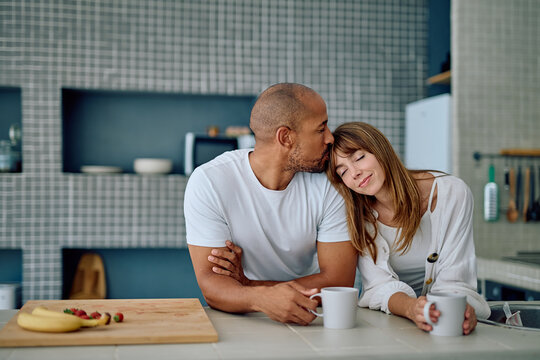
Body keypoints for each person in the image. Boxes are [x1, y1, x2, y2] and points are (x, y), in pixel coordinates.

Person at [184, 83, 357, 325]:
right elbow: (212, 285)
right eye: (321, 128)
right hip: (245, 320)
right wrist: (260, 299)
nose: (330, 138)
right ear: (285, 137)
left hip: (313, 316)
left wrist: (249, 288)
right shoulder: (210, 181)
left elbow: (338, 281)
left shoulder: (331, 184)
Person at [325, 121, 490, 335]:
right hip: (393, 325)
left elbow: (456, 274)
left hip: (444, 319)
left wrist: (454, 308)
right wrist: (413, 308)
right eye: (343, 171)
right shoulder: (358, 216)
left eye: (359, 157)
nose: (354, 172)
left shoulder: (452, 193)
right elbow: (378, 285)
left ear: (381, 149)